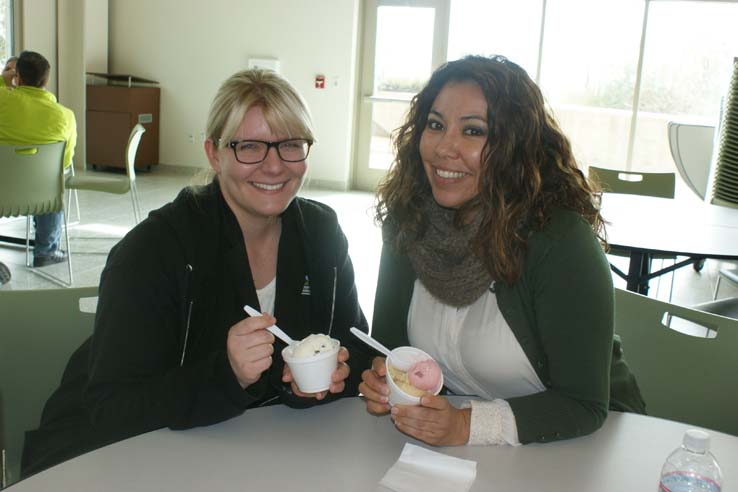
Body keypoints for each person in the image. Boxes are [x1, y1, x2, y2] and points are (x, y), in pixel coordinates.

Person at [22, 69, 371, 476]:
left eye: (291, 145)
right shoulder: (152, 250)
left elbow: (354, 343)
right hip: (113, 457)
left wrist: (331, 375)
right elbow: (112, 407)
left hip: (248, 452)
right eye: (250, 147)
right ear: (213, 153)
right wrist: (227, 373)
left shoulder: (321, 234)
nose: (274, 166)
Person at [360, 55, 645, 447]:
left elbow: (584, 404)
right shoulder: (407, 223)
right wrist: (383, 379)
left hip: (584, 444)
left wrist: (466, 425)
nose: (446, 147)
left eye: (474, 131)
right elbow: (389, 349)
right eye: (436, 124)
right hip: (463, 457)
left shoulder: (558, 242)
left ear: (515, 148)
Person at [0, 51, 77, 267]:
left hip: (1, 191)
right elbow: (65, 162)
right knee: (54, 180)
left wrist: (2, 80)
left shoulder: (2, 99)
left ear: (19, 78)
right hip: (41, 194)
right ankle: (45, 251)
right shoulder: (65, 116)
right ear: (46, 80)